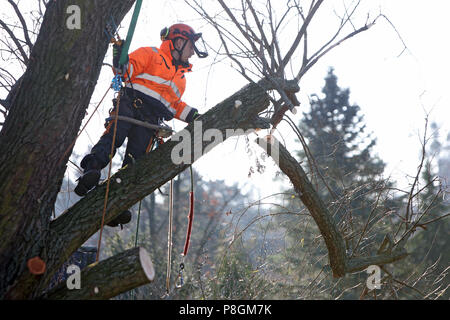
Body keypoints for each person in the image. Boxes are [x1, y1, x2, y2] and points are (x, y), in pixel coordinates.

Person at [74, 23, 207, 228]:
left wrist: (193, 115)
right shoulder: (151, 55)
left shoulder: (181, 79)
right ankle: (92, 169)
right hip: (130, 105)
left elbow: (174, 105)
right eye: (190, 46)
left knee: (135, 162)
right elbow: (125, 71)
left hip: (150, 121)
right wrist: (120, 56)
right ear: (178, 42)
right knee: (113, 138)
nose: (192, 53)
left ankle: (118, 202)